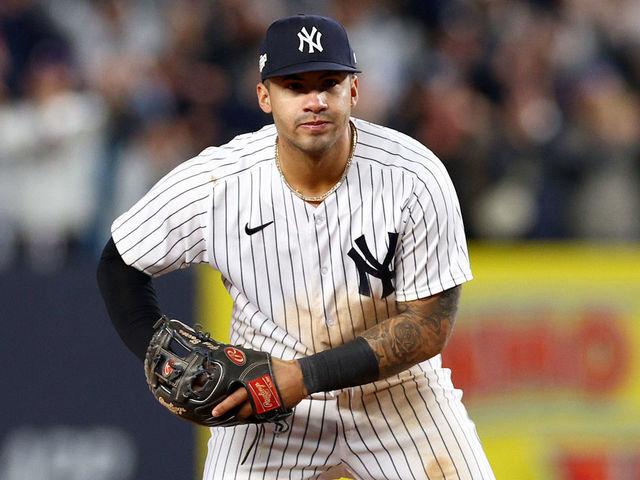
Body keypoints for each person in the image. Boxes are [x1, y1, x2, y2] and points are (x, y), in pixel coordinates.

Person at [97, 14, 495, 480]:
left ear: (354, 91)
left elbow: (428, 328)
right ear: (265, 95)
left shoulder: (414, 176)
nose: (315, 101)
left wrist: (304, 376)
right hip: (265, 406)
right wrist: (162, 357)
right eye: (295, 85)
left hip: (400, 399)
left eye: (329, 82)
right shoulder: (218, 182)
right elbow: (118, 263)